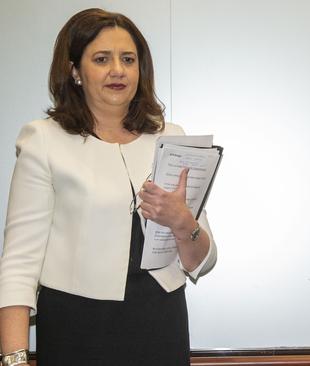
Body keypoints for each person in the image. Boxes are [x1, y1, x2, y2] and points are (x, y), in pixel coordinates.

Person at [0, 8, 217, 366]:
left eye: (128, 59)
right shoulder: (43, 140)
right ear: (75, 71)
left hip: (160, 321)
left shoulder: (173, 138)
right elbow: (19, 263)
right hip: (76, 325)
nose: (118, 69)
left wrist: (183, 223)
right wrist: (14, 358)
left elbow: (202, 262)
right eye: (102, 59)